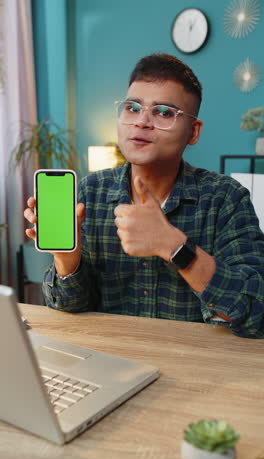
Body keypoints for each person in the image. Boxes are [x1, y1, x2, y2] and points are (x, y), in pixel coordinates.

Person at [24, 53, 264, 338]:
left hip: (196, 370)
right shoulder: (89, 192)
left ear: (193, 132)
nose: (142, 122)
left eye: (164, 112)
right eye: (132, 108)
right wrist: (67, 259)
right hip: (110, 365)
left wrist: (174, 246)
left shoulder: (226, 198)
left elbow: (255, 314)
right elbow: (70, 309)